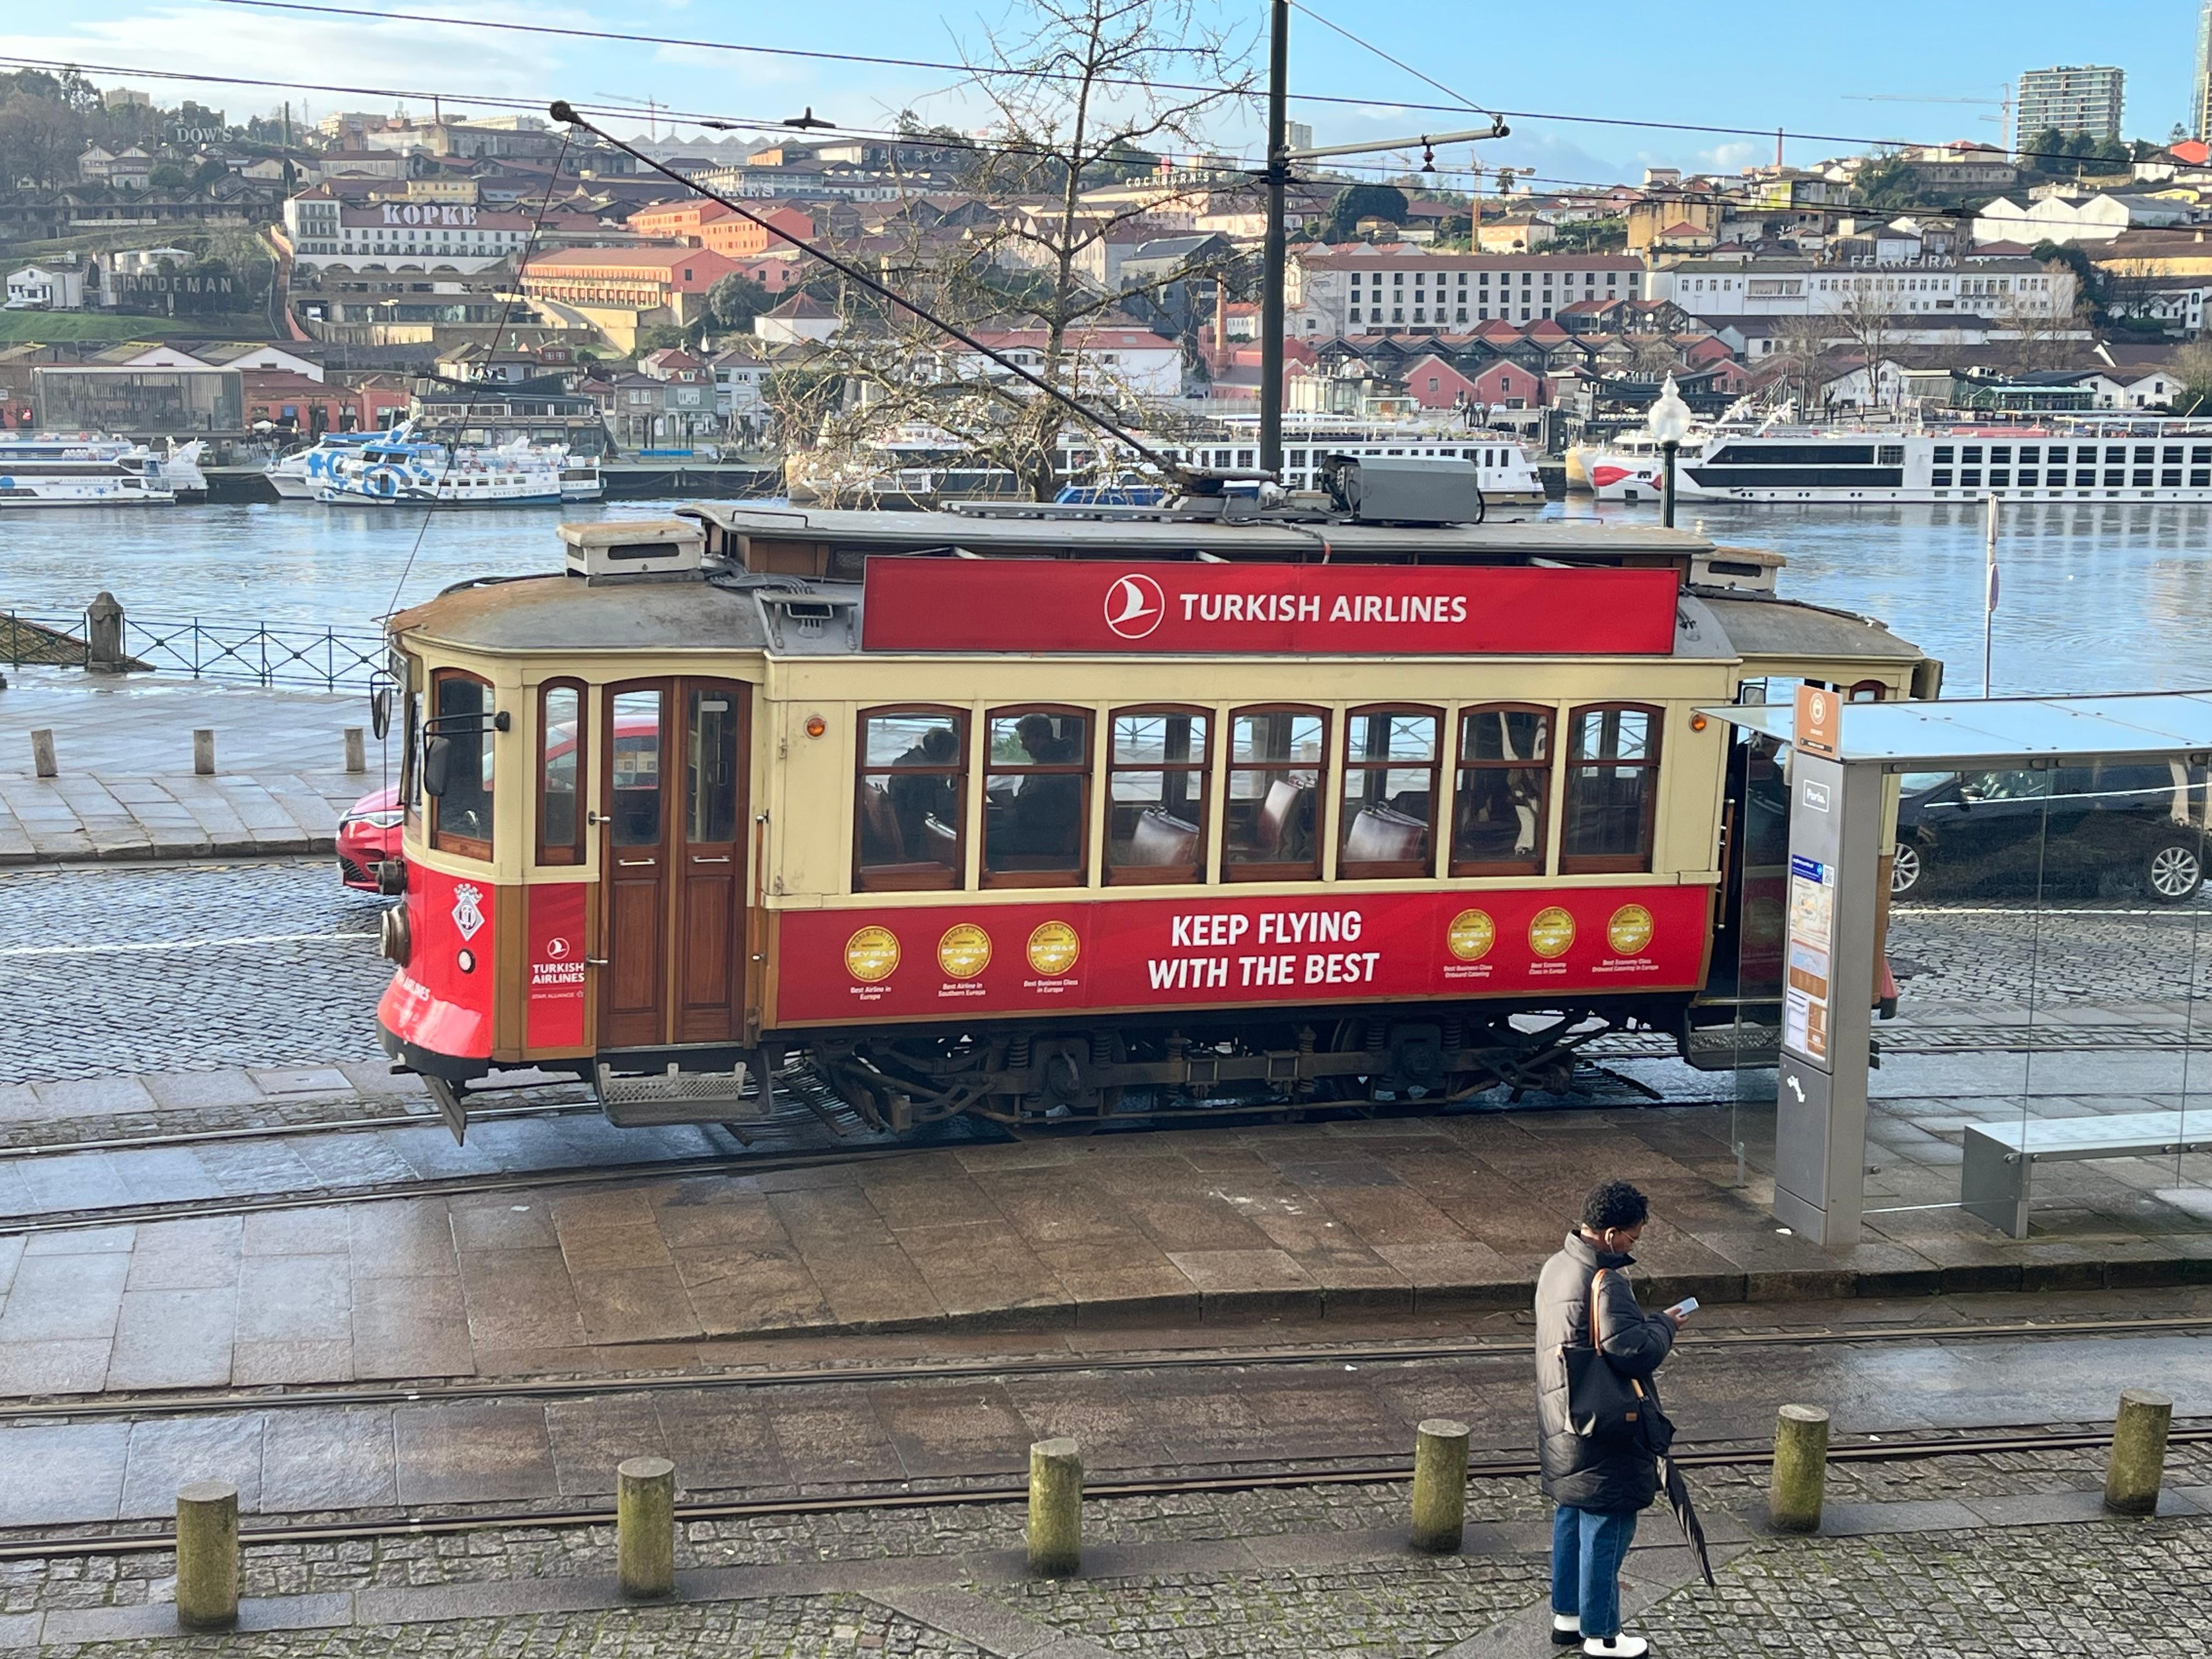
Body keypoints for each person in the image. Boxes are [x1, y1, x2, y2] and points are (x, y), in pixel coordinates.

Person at [1534, 1180, 1685, 1658]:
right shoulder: (1607, 1280)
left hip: (1563, 1415)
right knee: (1608, 1521)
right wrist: (1663, 1324)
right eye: (1633, 1239)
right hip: (1604, 1425)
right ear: (1613, 1233)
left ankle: (1568, 1617)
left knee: (1572, 1515)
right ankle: (1602, 1635)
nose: (1632, 1247)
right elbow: (1632, 1352)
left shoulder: (1556, 1266)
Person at [885, 724, 959, 858]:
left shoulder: (907, 761)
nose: (957, 762)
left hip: (910, 832)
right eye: (955, 758)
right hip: (919, 842)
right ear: (943, 757)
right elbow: (939, 816)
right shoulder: (925, 780)